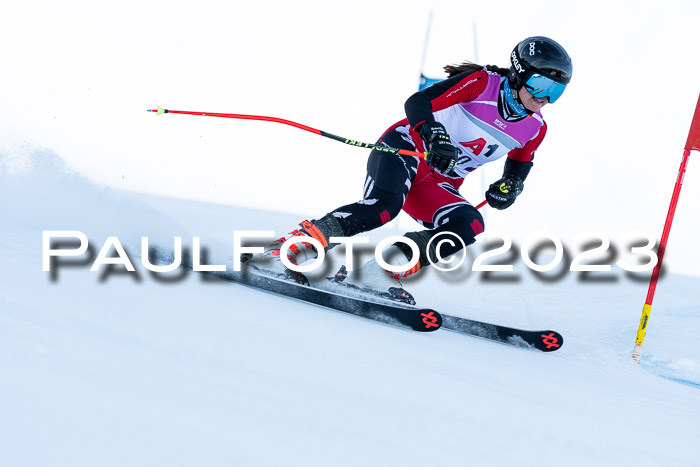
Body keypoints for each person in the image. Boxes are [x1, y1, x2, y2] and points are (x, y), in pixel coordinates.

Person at [242, 36, 573, 304]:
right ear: (519, 72)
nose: (546, 98)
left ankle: (376, 274)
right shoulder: (482, 84)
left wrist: (510, 186)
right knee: (383, 208)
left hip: (436, 183)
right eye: (541, 85)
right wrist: (433, 132)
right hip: (405, 147)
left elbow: (519, 163)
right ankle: (285, 250)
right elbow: (419, 102)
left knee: (468, 223)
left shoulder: (535, 128)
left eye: (556, 91)